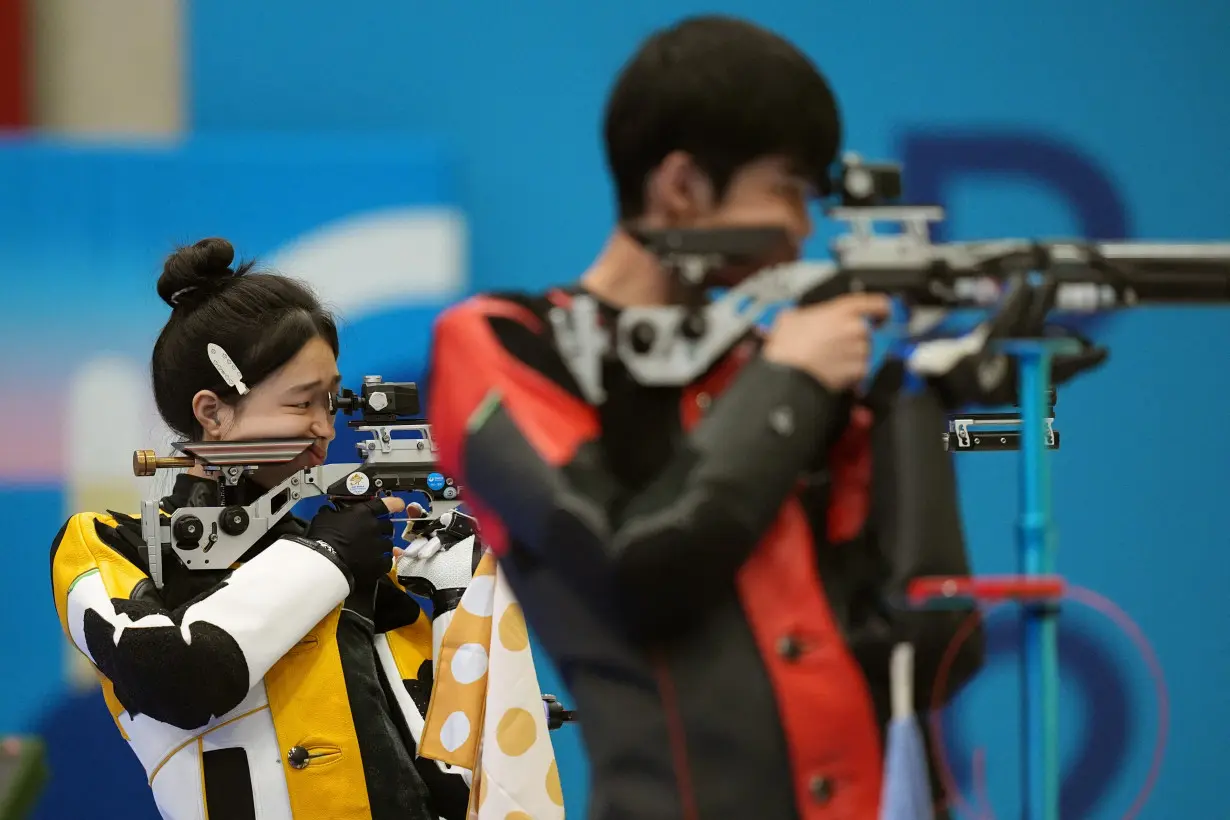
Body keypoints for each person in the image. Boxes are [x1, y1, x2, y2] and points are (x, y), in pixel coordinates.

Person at [424, 15, 1107, 820]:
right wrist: (789, 381)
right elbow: (630, 571)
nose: (802, 232)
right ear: (681, 185)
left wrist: (914, 408)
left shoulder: (768, 368)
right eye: (787, 190)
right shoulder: (505, 343)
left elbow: (930, 654)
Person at [50, 238, 470, 820]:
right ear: (213, 413)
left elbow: (446, 760)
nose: (325, 429)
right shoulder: (107, 543)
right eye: (302, 404)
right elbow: (182, 676)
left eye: (332, 402)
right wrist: (326, 558)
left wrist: (455, 596)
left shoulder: (344, 548)